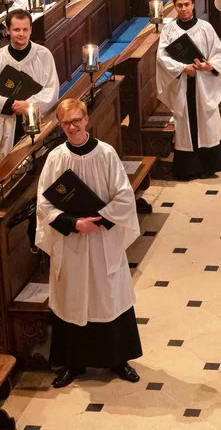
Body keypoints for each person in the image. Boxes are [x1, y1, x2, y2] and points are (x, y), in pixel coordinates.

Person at [35, 98, 142, 388]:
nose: (72, 127)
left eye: (77, 120)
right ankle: (73, 364)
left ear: (86, 119)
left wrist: (100, 219)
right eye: (66, 122)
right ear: (60, 125)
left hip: (103, 240)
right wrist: (74, 224)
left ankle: (118, 359)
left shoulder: (106, 154)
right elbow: (44, 205)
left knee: (107, 295)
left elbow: (124, 197)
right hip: (72, 242)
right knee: (73, 297)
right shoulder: (56, 158)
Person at [156, 0, 221, 181]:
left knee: (206, 122)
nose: (183, 9)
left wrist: (208, 66)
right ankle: (188, 168)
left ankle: (209, 165)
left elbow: (220, 53)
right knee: (185, 123)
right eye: (179, 5)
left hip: (203, 84)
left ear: (193, 5)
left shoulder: (205, 28)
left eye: (187, 4)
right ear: (175, 7)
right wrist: (182, 68)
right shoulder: (169, 30)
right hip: (183, 85)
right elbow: (162, 57)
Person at [0, 9, 59, 164]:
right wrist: (11, 105)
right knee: (10, 166)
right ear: (8, 31)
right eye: (16, 29)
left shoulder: (43, 55)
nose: (21, 34)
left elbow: (52, 89)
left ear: (31, 30)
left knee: (37, 161)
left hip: (35, 118)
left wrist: (29, 105)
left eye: (25, 29)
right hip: (9, 120)